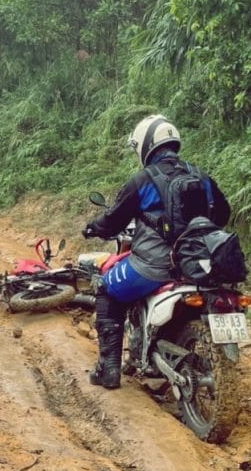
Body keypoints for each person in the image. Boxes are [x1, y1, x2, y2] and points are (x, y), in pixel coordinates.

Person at [81, 114, 231, 389]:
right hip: (199, 265)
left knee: (106, 290)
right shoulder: (201, 176)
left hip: (153, 267)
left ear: (146, 145)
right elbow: (223, 214)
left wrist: (94, 228)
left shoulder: (142, 181)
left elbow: (113, 220)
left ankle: (109, 369)